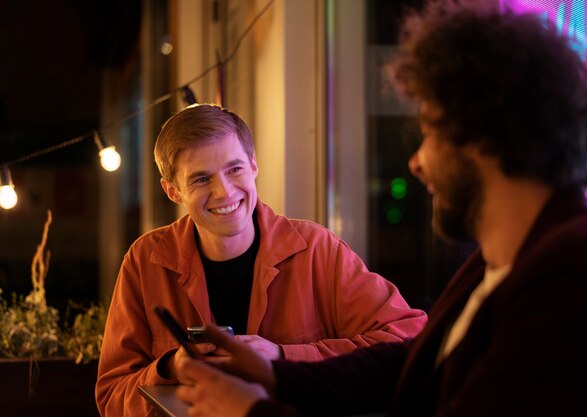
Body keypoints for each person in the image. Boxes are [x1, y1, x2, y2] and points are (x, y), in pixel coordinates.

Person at [173, 3, 587, 417]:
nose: (416, 161)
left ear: (485, 138)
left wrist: (252, 413)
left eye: (429, 133)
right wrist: (276, 375)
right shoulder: (504, 260)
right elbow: (415, 364)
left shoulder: (585, 271)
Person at [95, 104, 427, 416]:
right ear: (173, 191)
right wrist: (169, 369)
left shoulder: (316, 249)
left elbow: (409, 338)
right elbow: (111, 396)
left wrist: (282, 357)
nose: (224, 192)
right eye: (201, 179)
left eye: (234, 169)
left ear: (254, 165)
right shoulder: (145, 261)